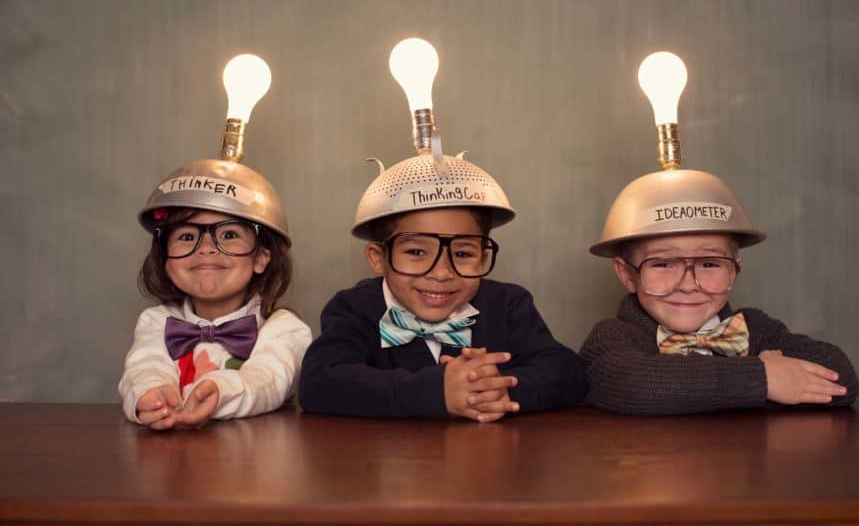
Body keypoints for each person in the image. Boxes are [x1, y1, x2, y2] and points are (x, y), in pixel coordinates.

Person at [299, 149, 587, 422]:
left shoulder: (507, 304)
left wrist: (497, 389)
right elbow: (319, 382)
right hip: (386, 467)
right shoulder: (355, 307)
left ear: (483, 257)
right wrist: (434, 391)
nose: (441, 272)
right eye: (416, 252)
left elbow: (568, 372)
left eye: (462, 254)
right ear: (378, 258)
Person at [581, 168, 857, 414]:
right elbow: (631, 384)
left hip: (741, 468)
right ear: (627, 274)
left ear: (734, 271)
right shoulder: (613, 338)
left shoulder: (755, 329)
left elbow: (840, 375)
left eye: (709, 263)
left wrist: (697, 392)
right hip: (650, 468)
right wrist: (763, 379)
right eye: (662, 264)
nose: (688, 285)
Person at [119, 158, 311, 429]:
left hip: (253, 462)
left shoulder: (286, 329)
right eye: (187, 236)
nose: (207, 247)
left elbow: (267, 379)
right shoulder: (156, 322)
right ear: (165, 260)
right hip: (171, 463)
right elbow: (143, 369)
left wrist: (220, 390)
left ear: (261, 257)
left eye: (229, 234)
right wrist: (151, 393)